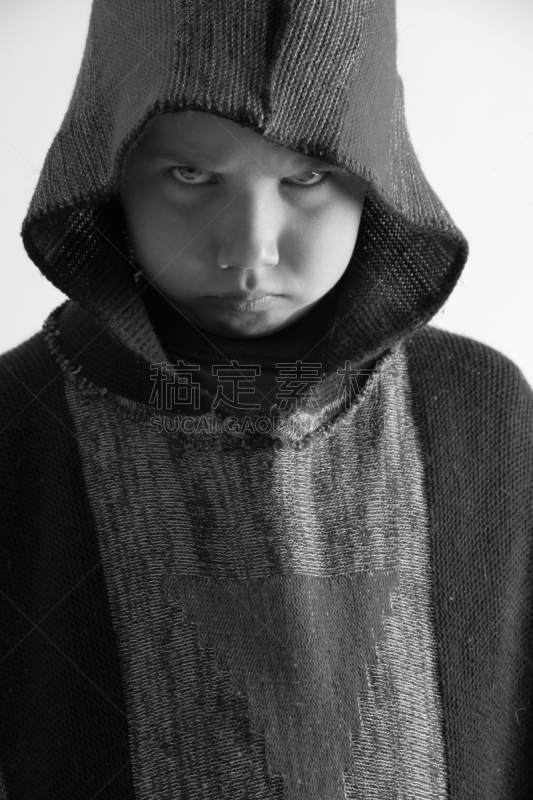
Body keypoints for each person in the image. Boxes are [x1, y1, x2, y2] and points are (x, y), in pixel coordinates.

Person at [0, 1, 531, 798]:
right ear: (109, 175)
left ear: (375, 175)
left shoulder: (477, 411)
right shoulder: (21, 418)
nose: (250, 248)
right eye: (191, 175)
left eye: (307, 177)